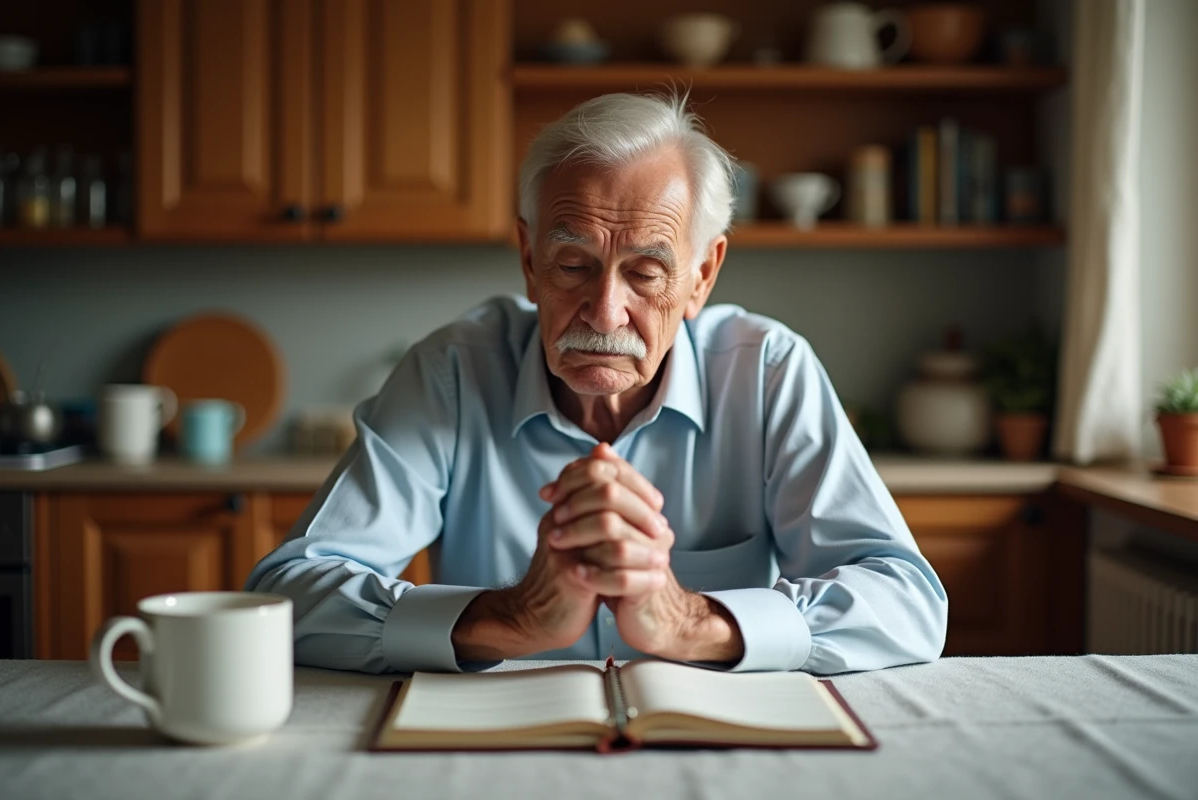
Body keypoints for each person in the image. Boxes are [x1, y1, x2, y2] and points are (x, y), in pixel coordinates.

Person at [245, 91, 947, 675]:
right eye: (574, 265)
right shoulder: (452, 372)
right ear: (529, 259)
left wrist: (691, 621)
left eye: (645, 272)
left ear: (701, 276)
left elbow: (909, 602)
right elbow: (288, 597)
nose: (605, 312)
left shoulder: (767, 372)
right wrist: (509, 616)